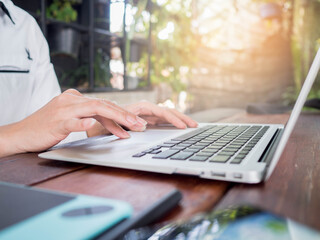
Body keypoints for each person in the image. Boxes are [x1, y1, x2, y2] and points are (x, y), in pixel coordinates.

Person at [0, 0, 197, 158]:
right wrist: (14, 135)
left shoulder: (24, 25)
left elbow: (48, 130)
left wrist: (116, 120)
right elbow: (30, 132)